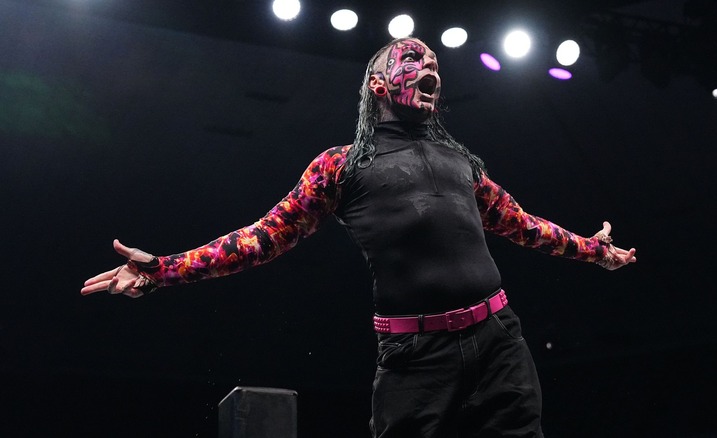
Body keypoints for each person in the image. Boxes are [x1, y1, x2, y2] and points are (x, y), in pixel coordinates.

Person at [82, 37, 636, 438]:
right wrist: (162, 269)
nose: (429, 66)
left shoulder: (460, 161)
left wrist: (595, 251)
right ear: (378, 84)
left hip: (498, 338)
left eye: (434, 62)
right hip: (415, 354)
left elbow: (523, 224)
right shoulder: (340, 167)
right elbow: (261, 238)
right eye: (413, 58)